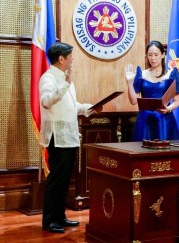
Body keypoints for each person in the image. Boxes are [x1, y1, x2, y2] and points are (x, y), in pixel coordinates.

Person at [39, 42, 100, 233]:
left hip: (69, 137)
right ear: (61, 59)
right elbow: (46, 101)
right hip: (57, 138)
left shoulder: (65, 79)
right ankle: (49, 221)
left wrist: (90, 108)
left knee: (65, 181)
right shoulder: (48, 78)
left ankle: (59, 217)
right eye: (70, 56)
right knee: (56, 181)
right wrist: (66, 84)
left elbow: (71, 106)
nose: (72, 59)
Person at [125, 40, 179, 141]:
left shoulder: (171, 74)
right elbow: (133, 101)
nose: (153, 58)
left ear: (163, 55)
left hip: (164, 119)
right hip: (145, 120)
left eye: (156, 54)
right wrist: (129, 82)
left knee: (165, 153)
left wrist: (169, 108)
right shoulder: (141, 74)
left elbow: (177, 101)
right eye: (150, 55)